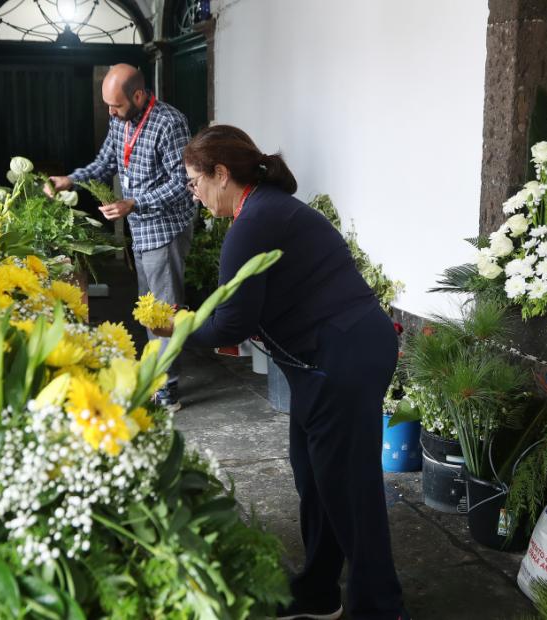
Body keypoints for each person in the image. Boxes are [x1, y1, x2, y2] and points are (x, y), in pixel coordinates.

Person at [152, 125, 408, 620]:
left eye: (193, 182)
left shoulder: (255, 220)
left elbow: (234, 320)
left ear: (221, 174)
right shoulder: (260, 210)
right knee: (313, 473)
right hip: (324, 359)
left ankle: (381, 608)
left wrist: (177, 326)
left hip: (343, 358)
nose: (194, 193)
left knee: (350, 490)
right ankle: (319, 589)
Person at [48, 64, 194, 409]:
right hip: (139, 228)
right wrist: (70, 179)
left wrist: (134, 202)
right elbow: (104, 163)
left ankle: (167, 387)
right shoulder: (119, 122)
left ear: (139, 96)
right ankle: (156, 376)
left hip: (165, 227)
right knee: (148, 306)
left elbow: (183, 184)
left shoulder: (170, 123)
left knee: (164, 309)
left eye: (116, 106)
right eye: (108, 107)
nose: (111, 113)